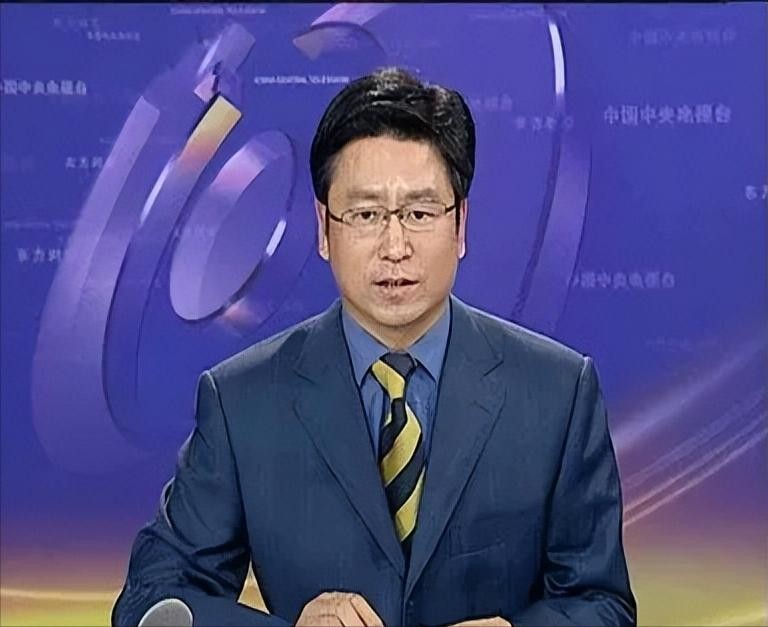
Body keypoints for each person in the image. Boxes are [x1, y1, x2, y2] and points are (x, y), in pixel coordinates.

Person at [112, 67, 636, 627]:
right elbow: (150, 600)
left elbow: (601, 603)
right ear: (323, 228)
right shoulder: (242, 402)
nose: (394, 246)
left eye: (419, 213)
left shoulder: (557, 392)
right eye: (365, 215)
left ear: (460, 224)